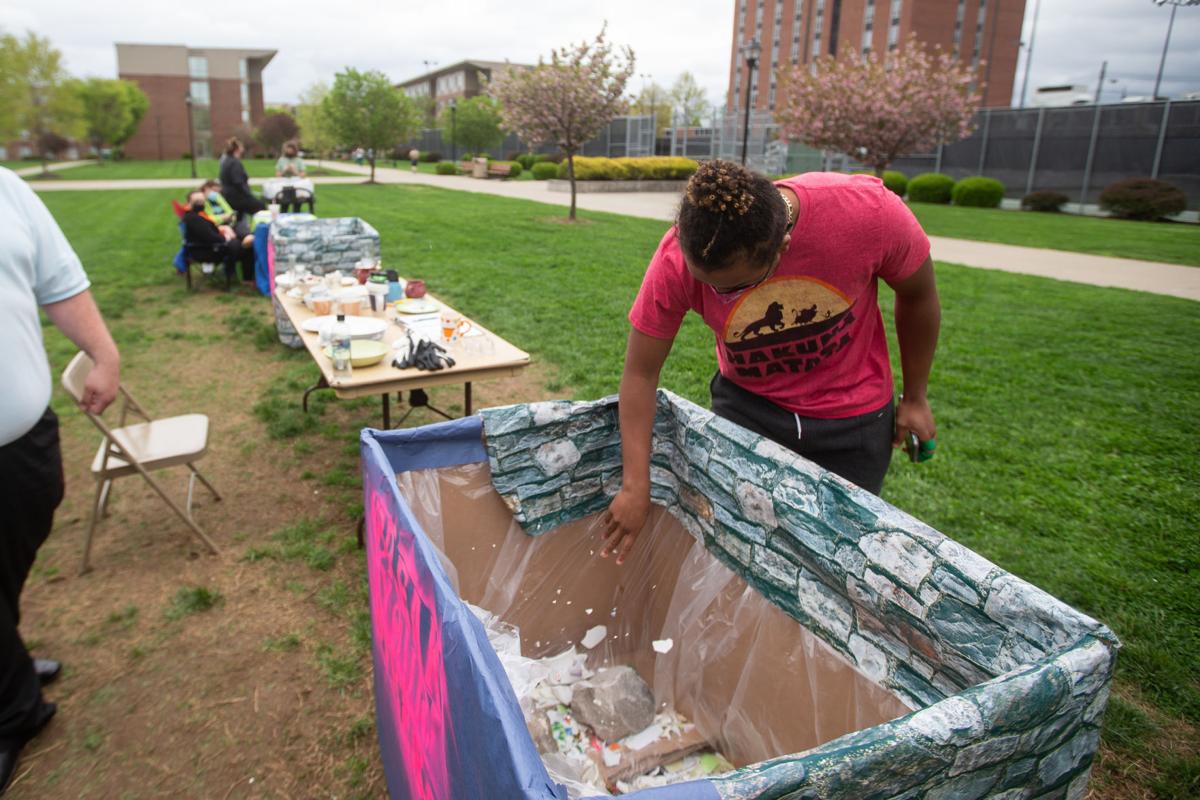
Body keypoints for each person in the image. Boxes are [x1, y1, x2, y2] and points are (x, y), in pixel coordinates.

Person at [600, 160, 941, 564]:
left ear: (782, 249)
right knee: (739, 552)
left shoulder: (868, 213)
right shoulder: (678, 256)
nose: (718, 297)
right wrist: (635, 485)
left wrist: (916, 397)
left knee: (834, 560)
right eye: (707, 284)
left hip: (855, 420)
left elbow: (918, 294)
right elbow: (640, 374)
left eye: (736, 286)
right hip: (749, 410)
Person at [0, 166, 121, 792]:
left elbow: (60, 282)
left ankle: (8, 658)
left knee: (14, 552)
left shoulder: (8, 189)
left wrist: (104, 353)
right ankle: (15, 708)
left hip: (20, 446)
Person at [181, 189, 256, 284]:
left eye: (202, 200)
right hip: (206, 251)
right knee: (247, 247)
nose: (200, 203)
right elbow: (211, 237)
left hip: (208, 247)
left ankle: (233, 273)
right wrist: (227, 237)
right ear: (189, 203)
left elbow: (208, 231)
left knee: (240, 241)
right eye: (197, 201)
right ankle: (246, 279)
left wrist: (222, 229)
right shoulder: (194, 218)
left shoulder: (195, 215)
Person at [217, 137, 265, 221]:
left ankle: (240, 229)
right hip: (236, 197)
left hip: (228, 194)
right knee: (261, 208)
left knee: (239, 217)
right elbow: (238, 182)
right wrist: (249, 195)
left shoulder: (226, 160)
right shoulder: (234, 162)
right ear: (237, 149)